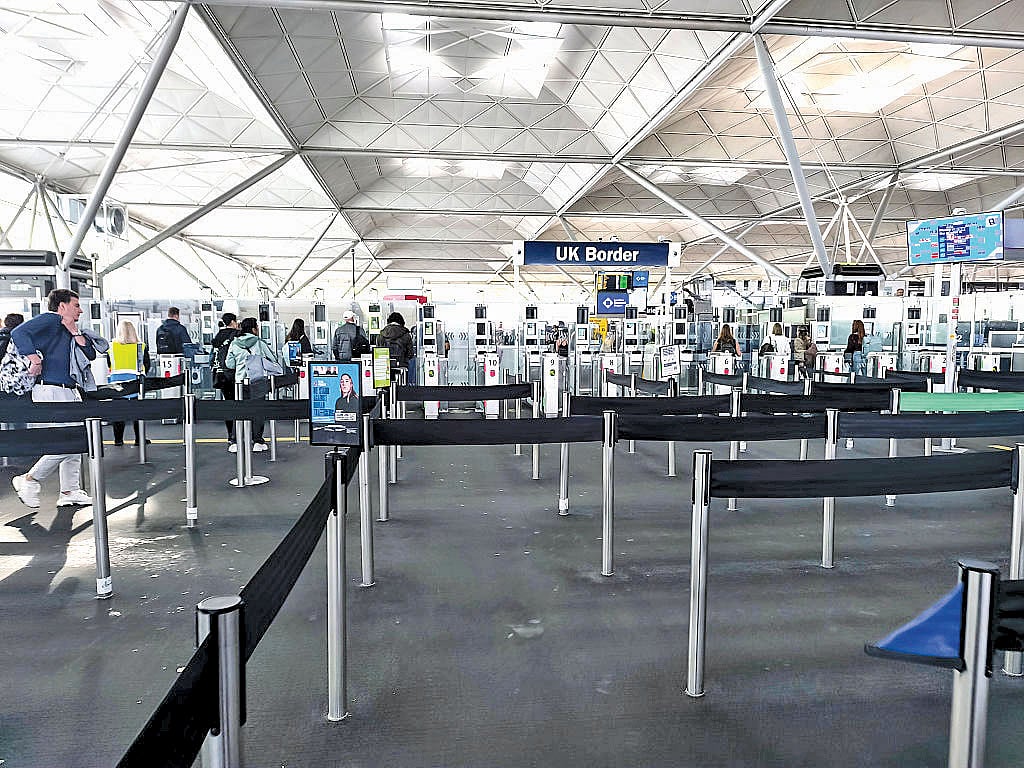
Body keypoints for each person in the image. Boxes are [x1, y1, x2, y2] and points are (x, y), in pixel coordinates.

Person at [10, 288, 95, 508]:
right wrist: (34, 360)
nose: (80, 310)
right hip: (51, 389)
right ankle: (29, 480)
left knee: (74, 440)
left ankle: (70, 490)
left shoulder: (69, 328)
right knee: (65, 442)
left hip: (68, 389)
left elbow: (90, 355)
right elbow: (18, 333)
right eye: (76, 305)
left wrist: (74, 330)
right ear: (62, 306)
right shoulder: (50, 318)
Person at [225, 317, 279, 453]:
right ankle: (257, 441)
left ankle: (236, 442)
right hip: (257, 382)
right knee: (257, 411)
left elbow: (229, 364)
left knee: (239, 411)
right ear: (254, 329)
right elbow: (273, 359)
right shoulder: (259, 343)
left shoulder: (234, 343)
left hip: (240, 383)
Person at [109, 320, 151, 446]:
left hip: (117, 384)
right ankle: (139, 439)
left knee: (118, 413)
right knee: (138, 412)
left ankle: (118, 440)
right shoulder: (140, 346)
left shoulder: (112, 347)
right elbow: (147, 365)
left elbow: (109, 364)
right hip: (136, 383)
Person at [211, 313, 241, 447]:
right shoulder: (236, 334)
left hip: (221, 375)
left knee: (228, 404)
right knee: (240, 403)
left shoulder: (218, 336)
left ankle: (231, 435)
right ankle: (239, 434)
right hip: (234, 374)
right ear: (233, 322)